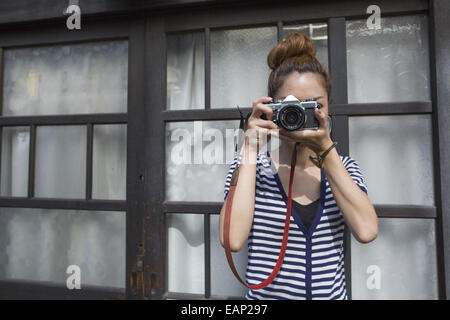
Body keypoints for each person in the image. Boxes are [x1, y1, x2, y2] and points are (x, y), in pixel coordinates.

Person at [219, 32, 378, 300]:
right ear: (271, 108)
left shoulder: (345, 167)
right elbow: (232, 240)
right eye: (293, 106)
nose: (302, 115)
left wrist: (325, 151)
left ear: (328, 109)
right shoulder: (251, 168)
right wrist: (249, 148)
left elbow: (366, 230)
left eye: (315, 105)